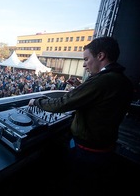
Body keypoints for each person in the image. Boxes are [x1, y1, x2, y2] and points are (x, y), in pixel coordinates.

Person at [28, 36, 134, 195]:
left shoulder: (102, 81)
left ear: (100, 56)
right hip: (105, 148)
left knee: (77, 185)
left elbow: (63, 103)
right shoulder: (123, 81)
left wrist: (37, 102)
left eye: (86, 59)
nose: (84, 64)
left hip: (87, 151)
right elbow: (102, 101)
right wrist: (80, 87)